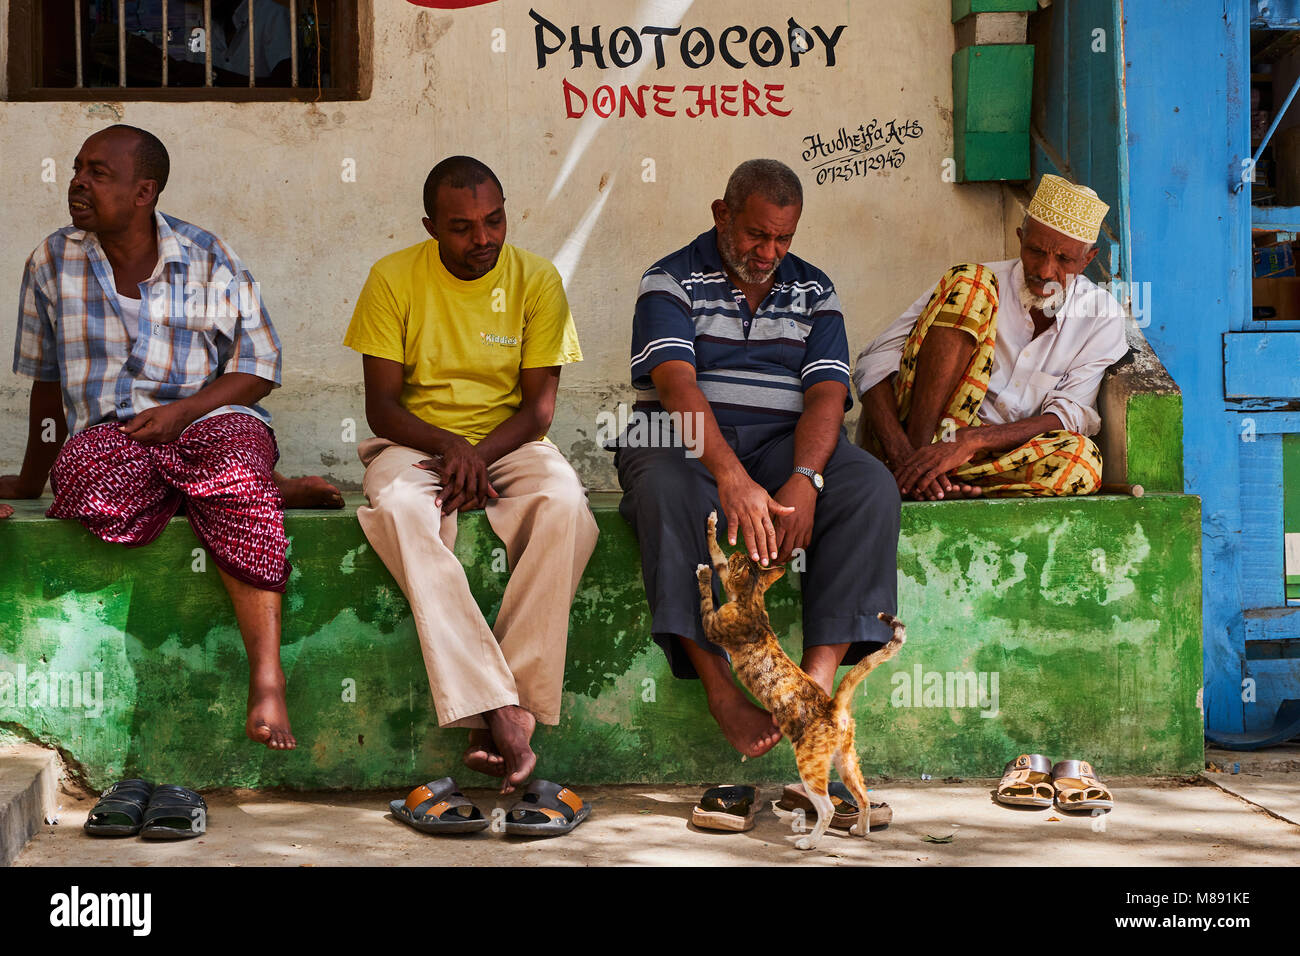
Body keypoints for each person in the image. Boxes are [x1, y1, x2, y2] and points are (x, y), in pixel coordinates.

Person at [2, 125, 295, 749]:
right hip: (114, 440)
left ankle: (267, 678)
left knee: (231, 450)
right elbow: (47, 386)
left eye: (99, 172)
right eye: (78, 168)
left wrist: (185, 411)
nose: (78, 182)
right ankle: (251, 490)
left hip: (209, 424)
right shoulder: (51, 261)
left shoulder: (207, 255)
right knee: (84, 484)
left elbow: (258, 368)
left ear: (144, 191)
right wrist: (32, 478)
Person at [615, 158, 901, 760]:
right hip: (682, 440)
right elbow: (677, 389)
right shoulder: (668, 281)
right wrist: (730, 476)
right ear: (722, 215)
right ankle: (721, 691)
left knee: (870, 486)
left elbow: (827, 393)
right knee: (670, 491)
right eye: (756, 234)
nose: (769, 250)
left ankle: (815, 688)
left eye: (783, 237)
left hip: (782, 446)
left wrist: (807, 477)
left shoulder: (813, 288)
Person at [343, 156, 598, 795]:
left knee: (565, 505)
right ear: (432, 226)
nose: (482, 239)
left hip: (508, 442)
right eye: (461, 227)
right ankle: (502, 706)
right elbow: (383, 407)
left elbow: (539, 409)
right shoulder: (392, 278)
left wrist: (475, 455)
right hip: (415, 441)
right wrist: (450, 447)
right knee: (401, 512)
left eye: (494, 220)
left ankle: (502, 703)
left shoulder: (537, 279)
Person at [854, 174, 1128, 499]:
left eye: (1064, 259)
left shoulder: (1101, 316)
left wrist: (971, 441)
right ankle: (917, 467)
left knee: (1082, 462)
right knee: (973, 283)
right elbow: (873, 363)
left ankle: (946, 485)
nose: (1044, 270)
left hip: (985, 455)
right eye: (1036, 251)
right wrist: (904, 453)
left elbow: (1068, 414)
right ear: (1019, 238)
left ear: (1088, 259)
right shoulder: (979, 283)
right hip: (909, 438)